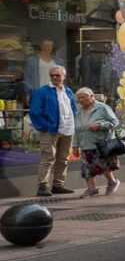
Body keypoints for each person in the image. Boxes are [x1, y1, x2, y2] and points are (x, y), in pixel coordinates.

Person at [28, 65, 77, 196]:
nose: (55, 77)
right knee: (48, 158)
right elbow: (35, 112)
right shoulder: (42, 92)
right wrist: (45, 127)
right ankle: (43, 186)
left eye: (58, 75)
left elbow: (73, 109)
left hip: (67, 129)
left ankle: (58, 184)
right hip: (50, 130)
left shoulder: (68, 91)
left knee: (63, 159)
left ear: (64, 77)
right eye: (52, 75)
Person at [72, 87, 120, 198]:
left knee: (103, 165)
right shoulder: (79, 112)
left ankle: (112, 181)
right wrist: (75, 145)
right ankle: (91, 189)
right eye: (79, 98)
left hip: (100, 143)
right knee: (86, 167)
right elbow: (77, 130)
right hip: (85, 143)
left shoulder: (103, 108)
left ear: (92, 96)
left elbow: (115, 122)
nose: (81, 100)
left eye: (83, 97)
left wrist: (100, 125)